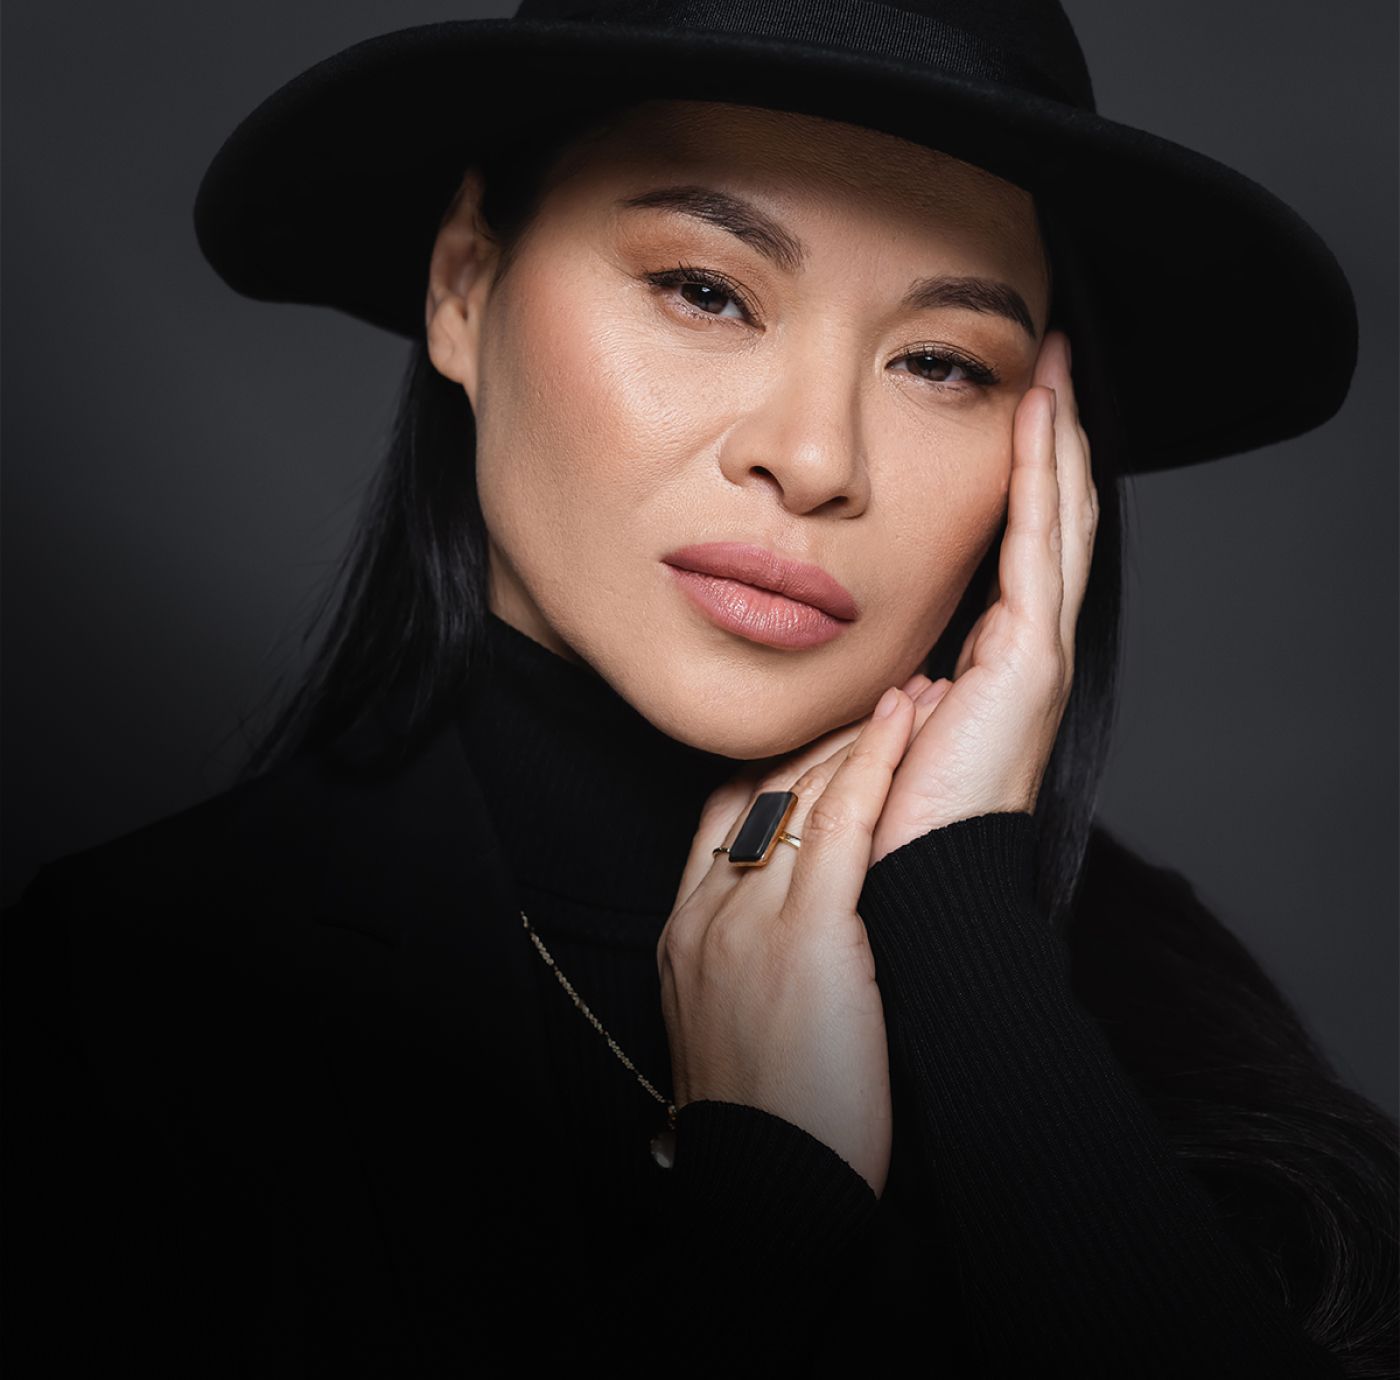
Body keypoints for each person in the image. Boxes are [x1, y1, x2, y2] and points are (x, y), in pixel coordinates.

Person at [2, 2, 1395, 1376]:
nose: (814, 456)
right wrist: (764, 1210)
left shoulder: (1143, 980)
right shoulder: (135, 996)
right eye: (707, 289)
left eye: (941, 363)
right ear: (463, 286)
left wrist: (971, 942)